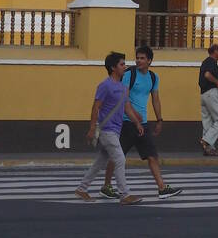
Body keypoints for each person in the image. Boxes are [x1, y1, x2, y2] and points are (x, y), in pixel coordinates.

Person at [100, 45, 181, 199]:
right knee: (117, 155)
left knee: (151, 155)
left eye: (142, 58)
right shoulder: (129, 74)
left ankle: (162, 188)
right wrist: (133, 115)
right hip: (126, 122)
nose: (138, 60)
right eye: (137, 57)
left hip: (142, 123)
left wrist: (159, 119)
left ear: (150, 60)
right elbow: (123, 97)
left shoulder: (153, 77)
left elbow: (156, 99)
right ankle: (107, 185)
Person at [76, 51, 143, 204]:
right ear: (113, 68)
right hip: (107, 130)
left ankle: (81, 189)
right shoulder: (105, 86)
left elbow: (127, 108)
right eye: (121, 64)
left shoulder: (123, 88)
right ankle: (125, 195)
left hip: (115, 130)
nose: (124, 67)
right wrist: (92, 128)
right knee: (120, 159)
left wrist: (137, 123)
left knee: (100, 162)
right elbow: (95, 107)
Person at [199, 43, 218, 156]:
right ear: (214, 51)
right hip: (211, 93)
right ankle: (206, 140)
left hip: (204, 95)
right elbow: (207, 75)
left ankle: (208, 149)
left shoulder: (204, 62)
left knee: (208, 122)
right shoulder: (211, 61)